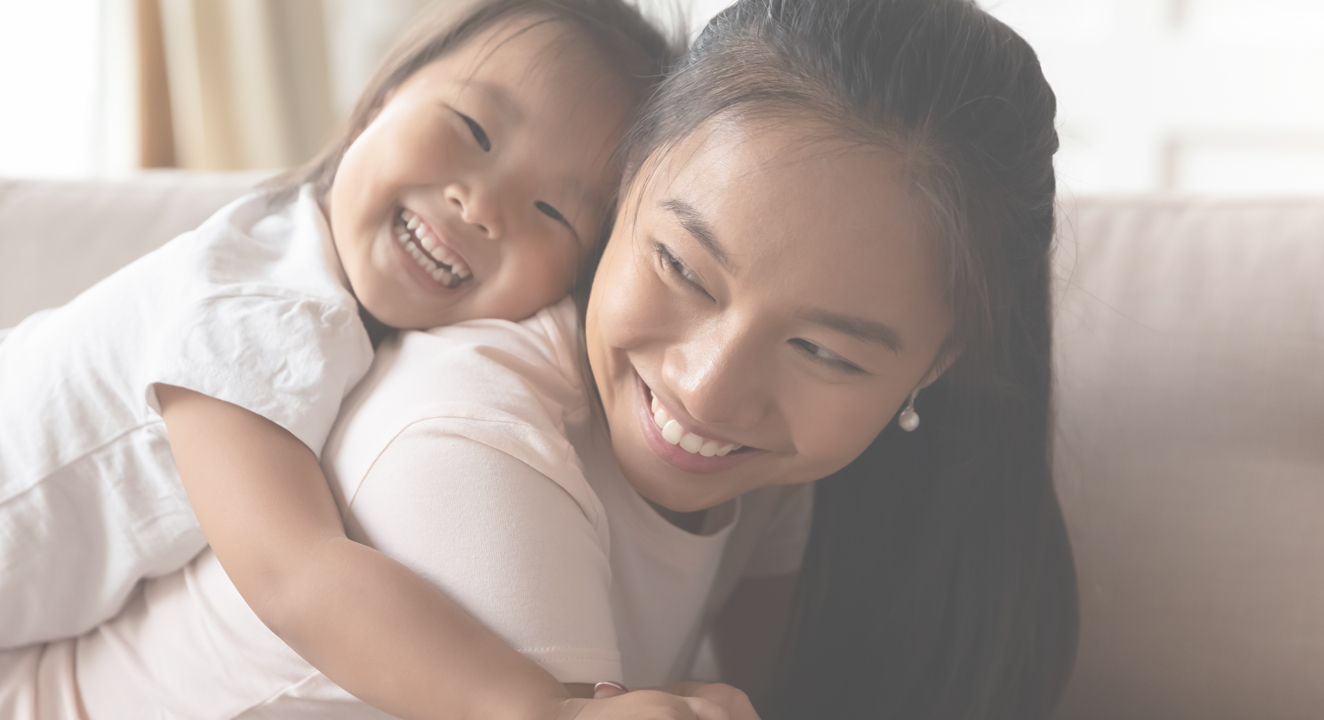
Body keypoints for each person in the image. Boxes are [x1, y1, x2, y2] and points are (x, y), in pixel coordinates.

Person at [2, 0, 1079, 718]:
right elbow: (293, 571)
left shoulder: (768, 468)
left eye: (822, 352)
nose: (709, 387)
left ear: (932, 369)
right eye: (683, 269)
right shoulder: (278, 323)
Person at [0, 1, 682, 718]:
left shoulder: (309, 267)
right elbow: (294, 572)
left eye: (554, 211)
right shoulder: (264, 311)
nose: (483, 205)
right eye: (474, 130)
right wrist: (546, 709)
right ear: (380, 100)